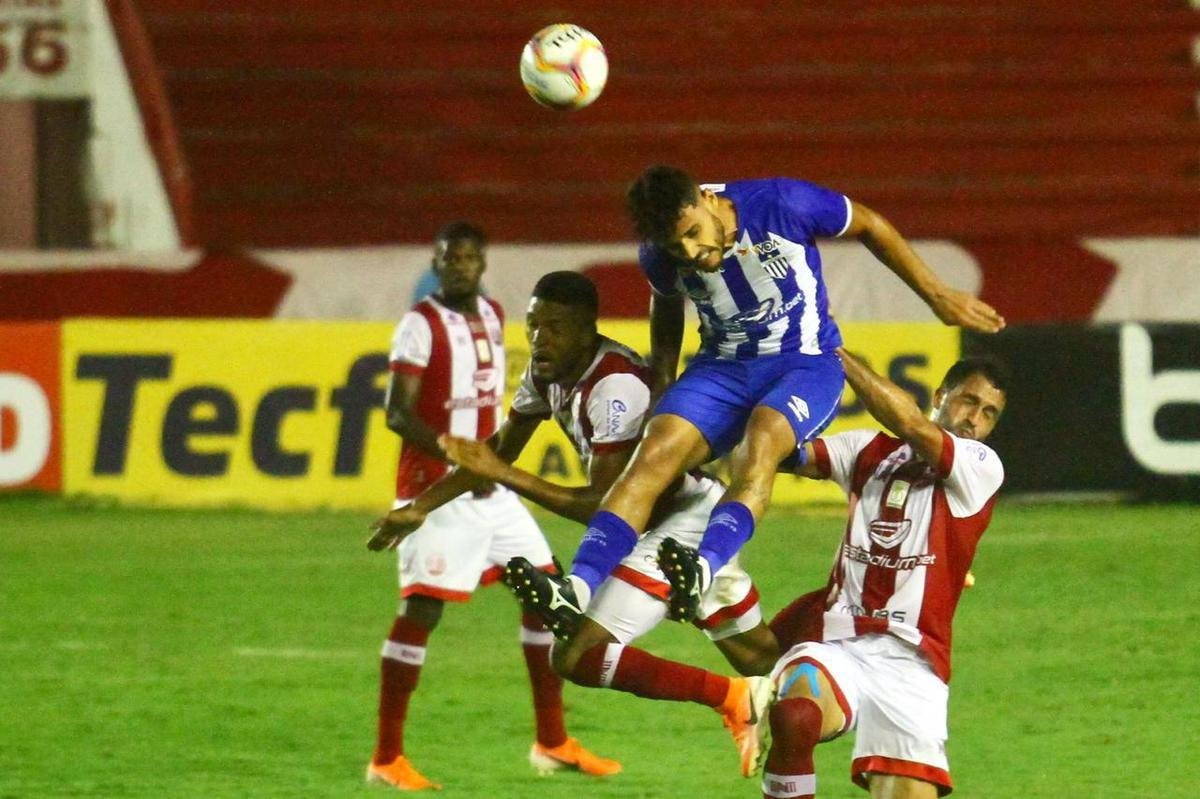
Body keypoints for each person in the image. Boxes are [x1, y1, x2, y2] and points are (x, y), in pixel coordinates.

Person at [518, 165, 1007, 636]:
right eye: (676, 245)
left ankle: (702, 570)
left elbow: (870, 224)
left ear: (707, 200)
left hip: (804, 361)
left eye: (693, 232)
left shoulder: (780, 203)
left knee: (761, 443)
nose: (690, 252)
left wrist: (938, 295)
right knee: (652, 456)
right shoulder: (660, 254)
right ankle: (575, 590)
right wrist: (664, 378)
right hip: (721, 368)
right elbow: (665, 303)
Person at [369, 271, 778, 778]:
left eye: (556, 327)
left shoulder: (617, 388)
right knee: (761, 654)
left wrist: (505, 476)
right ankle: (832, 687)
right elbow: (498, 450)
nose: (541, 339)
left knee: (577, 655)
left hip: (677, 522)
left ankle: (732, 699)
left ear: (588, 329)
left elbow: (605, 507)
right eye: (534, 325)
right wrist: (422, 506)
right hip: (656, 522)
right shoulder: (547, 372)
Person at [364, 224, 618, 790]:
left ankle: (552, 742)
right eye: (450, 257)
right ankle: (386, 758)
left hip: (491, 492)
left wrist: (486, 460)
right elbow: (398, 414)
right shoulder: (419, 324)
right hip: (438, 489)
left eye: (470, 257)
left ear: (483, 264)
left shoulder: (495, 312)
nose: (460, 266)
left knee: (547, 595)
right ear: (436, 261)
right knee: (421, 614)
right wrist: (452, 450)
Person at [754, 349, 1009, 799]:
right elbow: (783, 453)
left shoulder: (980, 467)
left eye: (989, 413)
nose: (975, 419)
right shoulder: (867, 450)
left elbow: (912, 425)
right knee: (796, 715)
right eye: (968, 401)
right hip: (840, 646)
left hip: (914, 665)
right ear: (940, 395)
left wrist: (834, 352)